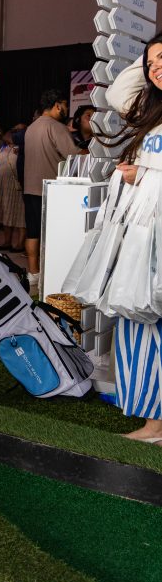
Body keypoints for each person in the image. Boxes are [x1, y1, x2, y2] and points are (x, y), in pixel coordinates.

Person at [98, 35, 162, 441]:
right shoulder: (153, 115)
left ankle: (157, 423)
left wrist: (143, 177)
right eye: (152, 62)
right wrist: (149, 61)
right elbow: (120, 91)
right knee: (142, 320)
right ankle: (154, 418)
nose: (156, 66)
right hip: (145, 238)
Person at [23, 89, 77, 294]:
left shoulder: (31, 128)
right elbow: (73, 156)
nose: (66, 109)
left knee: (33, 232)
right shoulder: (56, 127)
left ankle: (33, 273)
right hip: (52, 191)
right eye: (65, 105)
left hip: (30, 188)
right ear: (57, 105)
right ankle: (53, 274)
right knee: (52, 235)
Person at [0, 129, 25, 251]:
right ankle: (7, 242)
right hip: (3, 185)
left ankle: (20, 243)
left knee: (20, 214)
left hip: (16, 184)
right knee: (6, 212)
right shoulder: (3, 148)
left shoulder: (22, 148)